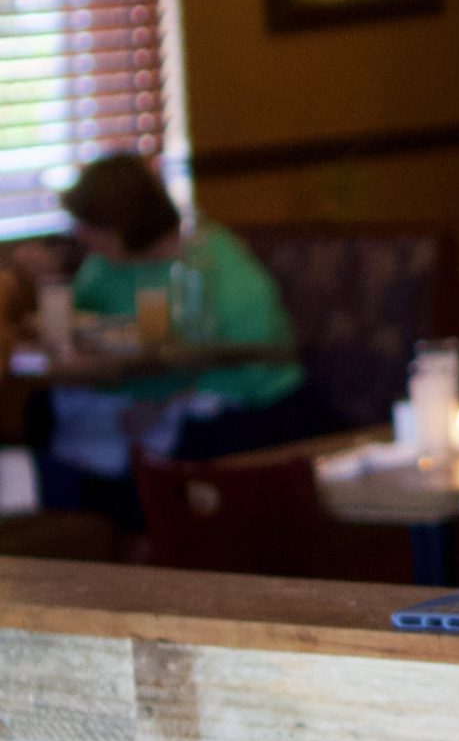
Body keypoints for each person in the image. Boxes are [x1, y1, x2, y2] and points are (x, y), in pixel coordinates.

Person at [33, 152, 325, 529]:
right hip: (148, 391)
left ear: (125, 222)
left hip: (248, 398)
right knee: (45, 415)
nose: (82, 237)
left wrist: (166, 399)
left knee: (165, 443)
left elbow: (255, 354)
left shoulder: (210, 261)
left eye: (93, 227)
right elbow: (78, 329)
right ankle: (80, 543)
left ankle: (146, 548)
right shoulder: (103, 265)